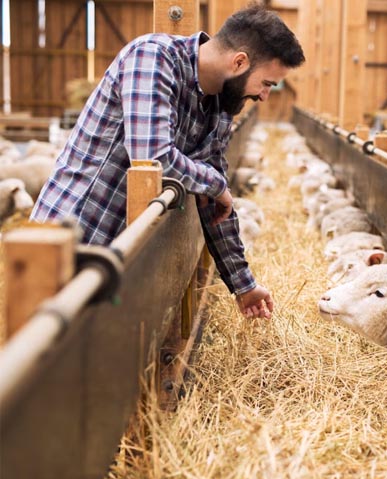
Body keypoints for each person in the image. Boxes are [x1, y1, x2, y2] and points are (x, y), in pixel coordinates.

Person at [30, 4, 304, 319]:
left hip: (124, 252)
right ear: (239, 62)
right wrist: (216, 185)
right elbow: (151, 156)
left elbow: (214, 201)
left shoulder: (220, 108)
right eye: (267, 83)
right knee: (44, 353)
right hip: (74, 236)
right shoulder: (153, 58)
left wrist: (244, 285)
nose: (265, 96)